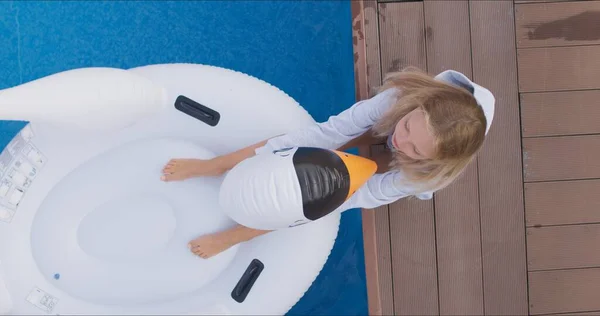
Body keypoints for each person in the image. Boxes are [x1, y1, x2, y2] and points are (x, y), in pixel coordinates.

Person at [160, 67, 495, 259]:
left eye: (416, 149)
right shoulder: (398, 100)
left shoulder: (428, 175)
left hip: (429, 165)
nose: (399, 141)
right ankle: (213, 165)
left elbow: (356, 197)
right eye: (407, 127)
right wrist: (244, 160)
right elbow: (326, 135)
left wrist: (316, 196)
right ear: (418, 106)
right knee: (349, 136)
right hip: (430, 110)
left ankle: (234, 237)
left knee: (316, 199)